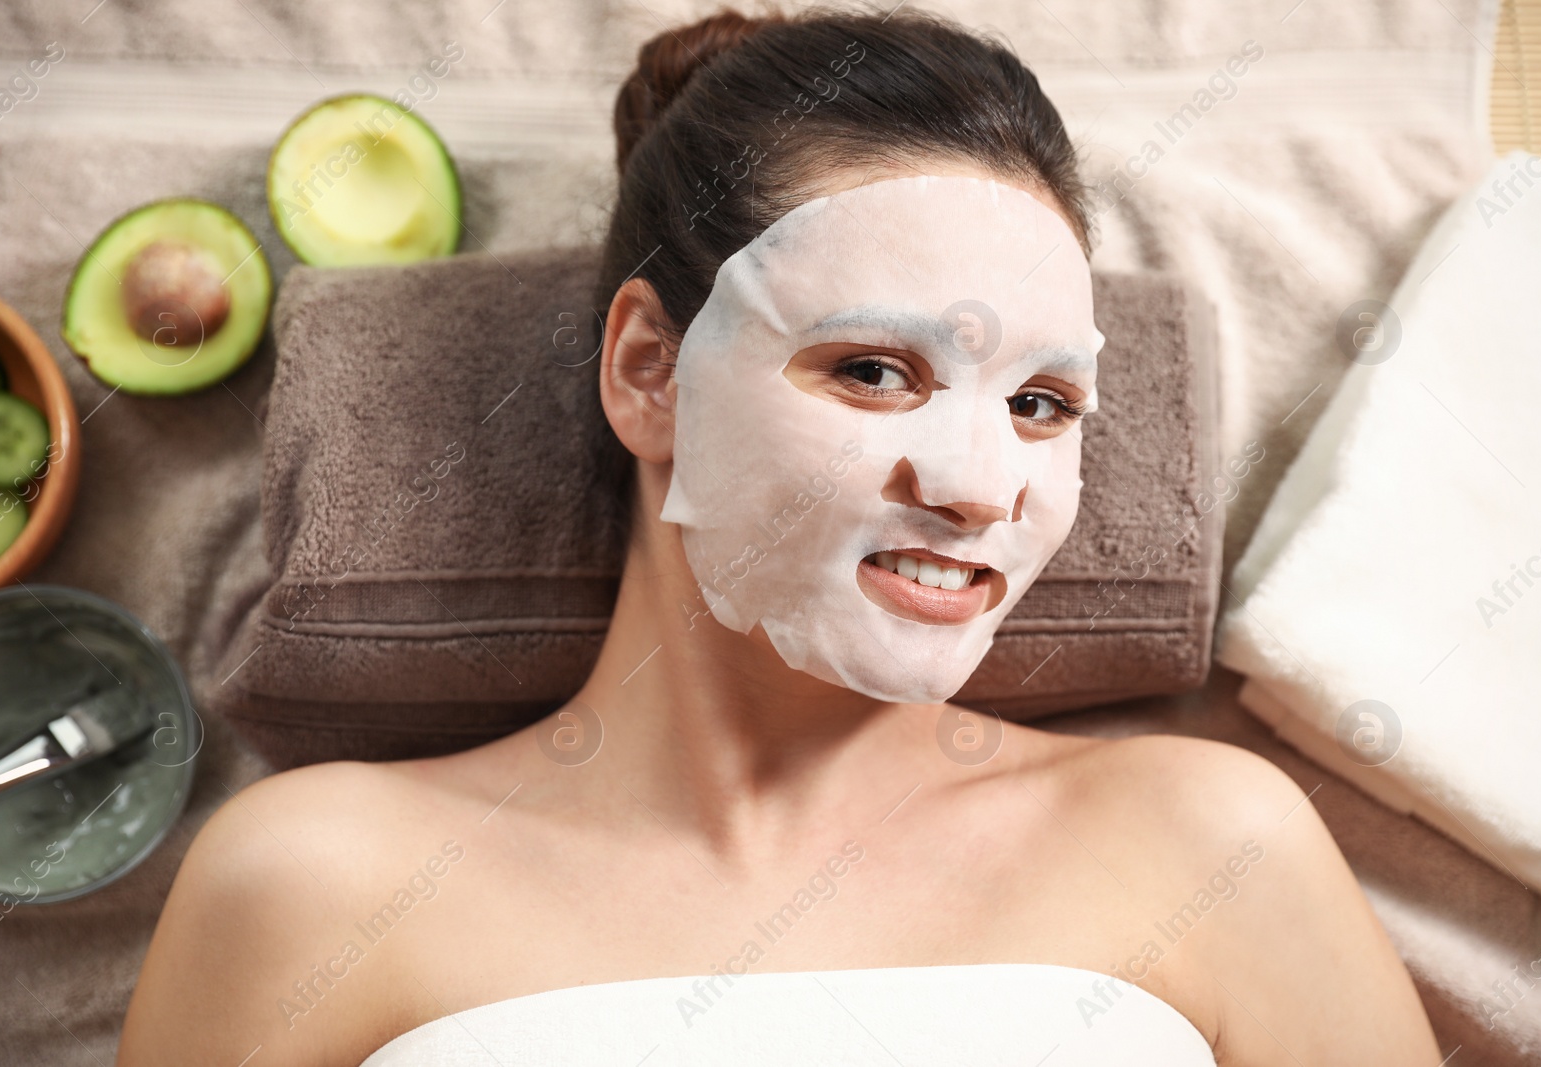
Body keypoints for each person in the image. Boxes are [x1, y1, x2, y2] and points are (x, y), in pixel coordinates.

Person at [118, 7, 1440, 1065]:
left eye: (1042, 404)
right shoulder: (310, 885)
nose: (984, 488)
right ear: (649, 369)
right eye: (873, 371)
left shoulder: (1215, 847)